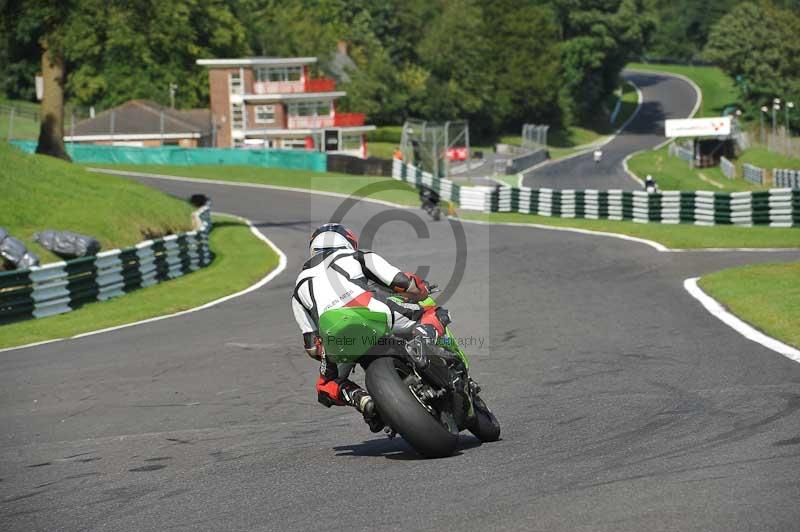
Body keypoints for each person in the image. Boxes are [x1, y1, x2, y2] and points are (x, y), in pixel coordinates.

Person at [291, 223, 446, 431]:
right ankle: (421, 345)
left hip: (336, 336)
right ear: (348, 241)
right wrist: (422, 289)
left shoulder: (299, 286)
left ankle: (363, 401)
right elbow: (401, 282)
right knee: (433, 312)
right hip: (372, 311)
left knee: (325, 386)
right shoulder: (358, 257)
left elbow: (312, 346)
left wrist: (335, 354)